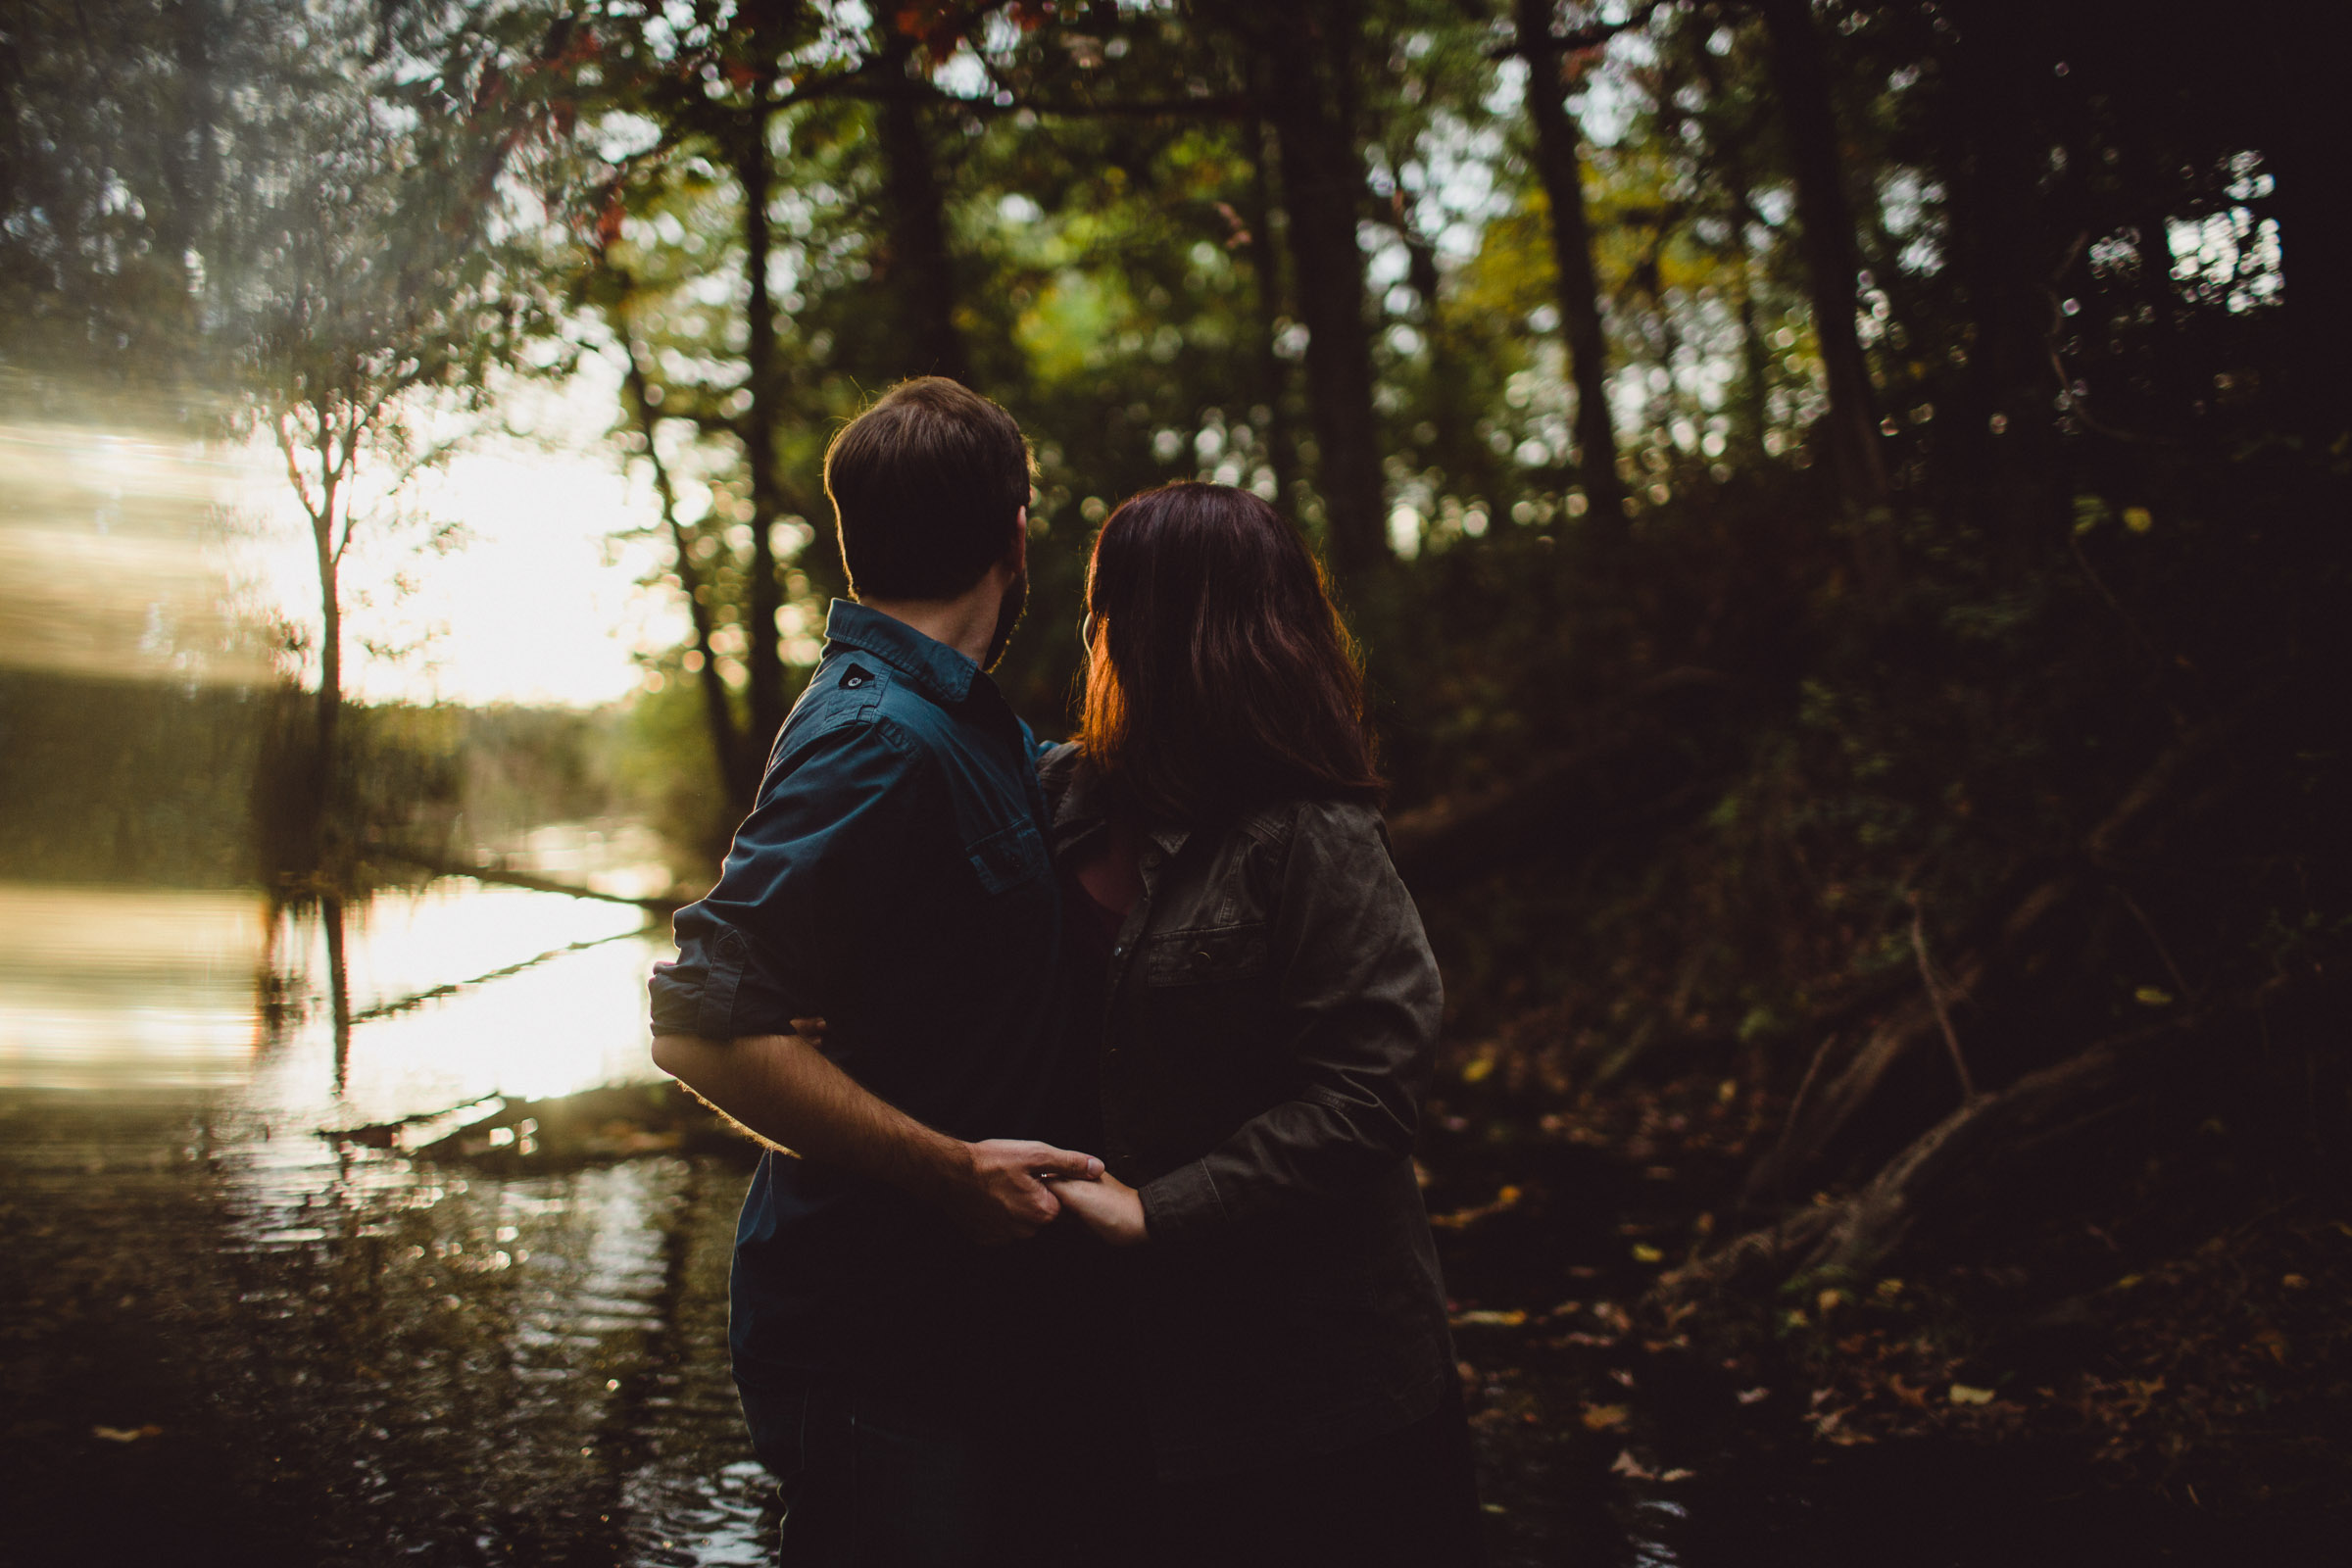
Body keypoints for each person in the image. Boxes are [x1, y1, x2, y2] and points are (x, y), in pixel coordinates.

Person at [647, 376, 1116, 1566]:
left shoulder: (961, 722)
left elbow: (1046, 792)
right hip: (878, 1349)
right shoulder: (879, 738)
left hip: (967, 1342)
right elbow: (699, 1021)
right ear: (1016, 529)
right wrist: (953, 1171)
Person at [1045, 481, 1484, 1567]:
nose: (1089, 632)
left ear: (1159, 629)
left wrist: (1161, 1212)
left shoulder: (1312, 833)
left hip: (1317, 1396)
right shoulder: (1059, 799)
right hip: (1121, 1380)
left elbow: (1372, 1092)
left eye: (1108, 607)